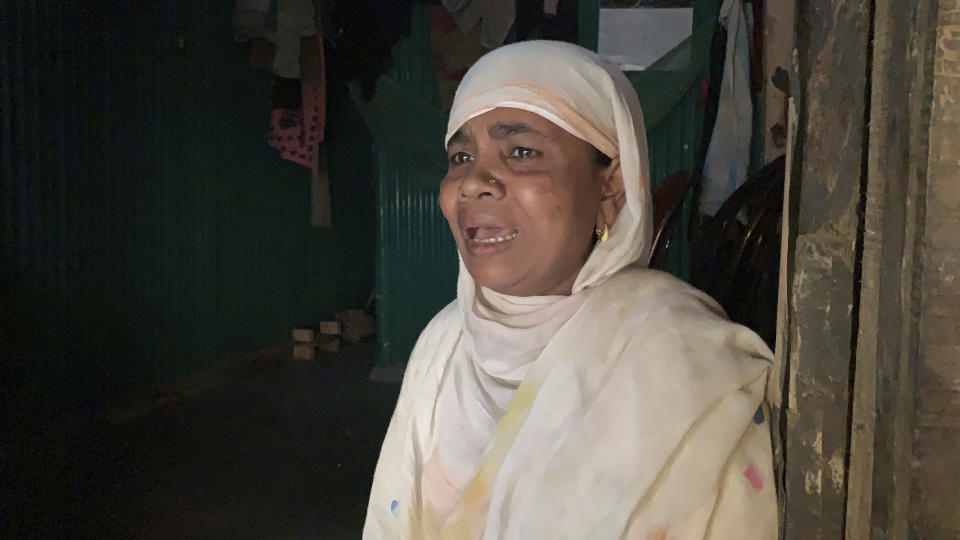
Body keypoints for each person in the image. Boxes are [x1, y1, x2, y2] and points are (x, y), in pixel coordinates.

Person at [364, 40, 777, 539]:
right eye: (462, 155)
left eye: (521, 151)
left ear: (611, 189)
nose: (473, 182)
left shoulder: (682, 363)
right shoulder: (443, 344)